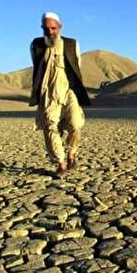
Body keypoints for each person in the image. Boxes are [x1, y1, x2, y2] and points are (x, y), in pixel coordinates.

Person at [29, 12, 91, 177]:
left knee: (76, 124)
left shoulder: (72, 44)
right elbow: (37, 66)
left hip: (69, 91)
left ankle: (72, 152)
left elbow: (77, 66)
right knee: (50, 126)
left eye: (53, 28)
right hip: (48, 92)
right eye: (46, 28)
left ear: (60, 27)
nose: (50, 32)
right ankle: (61, 162)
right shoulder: (36, 44)